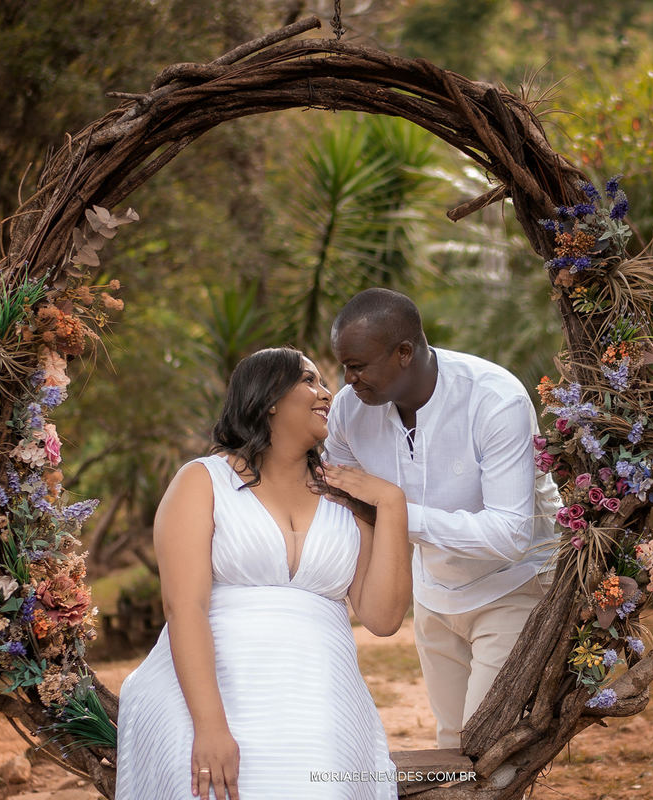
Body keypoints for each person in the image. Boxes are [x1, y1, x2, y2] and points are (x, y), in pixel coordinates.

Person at [116, 347, 411, 800]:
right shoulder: (202, 480)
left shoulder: (349, 495)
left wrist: (391, 505)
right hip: (206, 686)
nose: (326, 393)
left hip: (318, 688)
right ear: (269, 397)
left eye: (324, 383)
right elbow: (184, 607)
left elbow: (383, 618)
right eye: (310, 380)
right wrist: (211, 726)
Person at [325, 288, 561, 750]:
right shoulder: (349, 411)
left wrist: (394, 510)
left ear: (404, 353)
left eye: (358, 365)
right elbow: (342, 502)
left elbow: (510, 534)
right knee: (451, 744)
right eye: (344, 366)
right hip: (431, 594)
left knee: (488, 744)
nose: (347, 379)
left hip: (512, 587)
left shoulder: (495, 400)